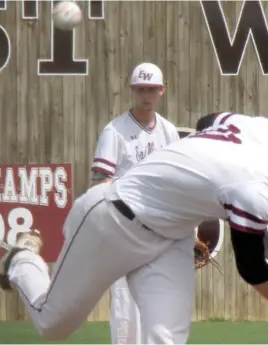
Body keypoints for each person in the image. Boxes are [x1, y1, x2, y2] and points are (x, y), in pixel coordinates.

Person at [0, 104, 268, 344]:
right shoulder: (254, 183)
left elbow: (208, 120)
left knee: (165, 339)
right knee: (53, 324)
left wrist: (182, 189)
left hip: (170, 238)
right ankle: (19, 260)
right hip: (113, 221)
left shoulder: (259, 127)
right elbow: (251, 267)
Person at [87, 61, 179, 345]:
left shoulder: (169, 132)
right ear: (132, 90)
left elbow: (177, 182)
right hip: (124, 230)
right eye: (141, 89)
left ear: (161, 91)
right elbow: (101, 182)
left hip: (160, 233)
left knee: (160, 307)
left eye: (151, 89)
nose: (146, 95)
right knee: (125, 307)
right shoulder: (114, 131)